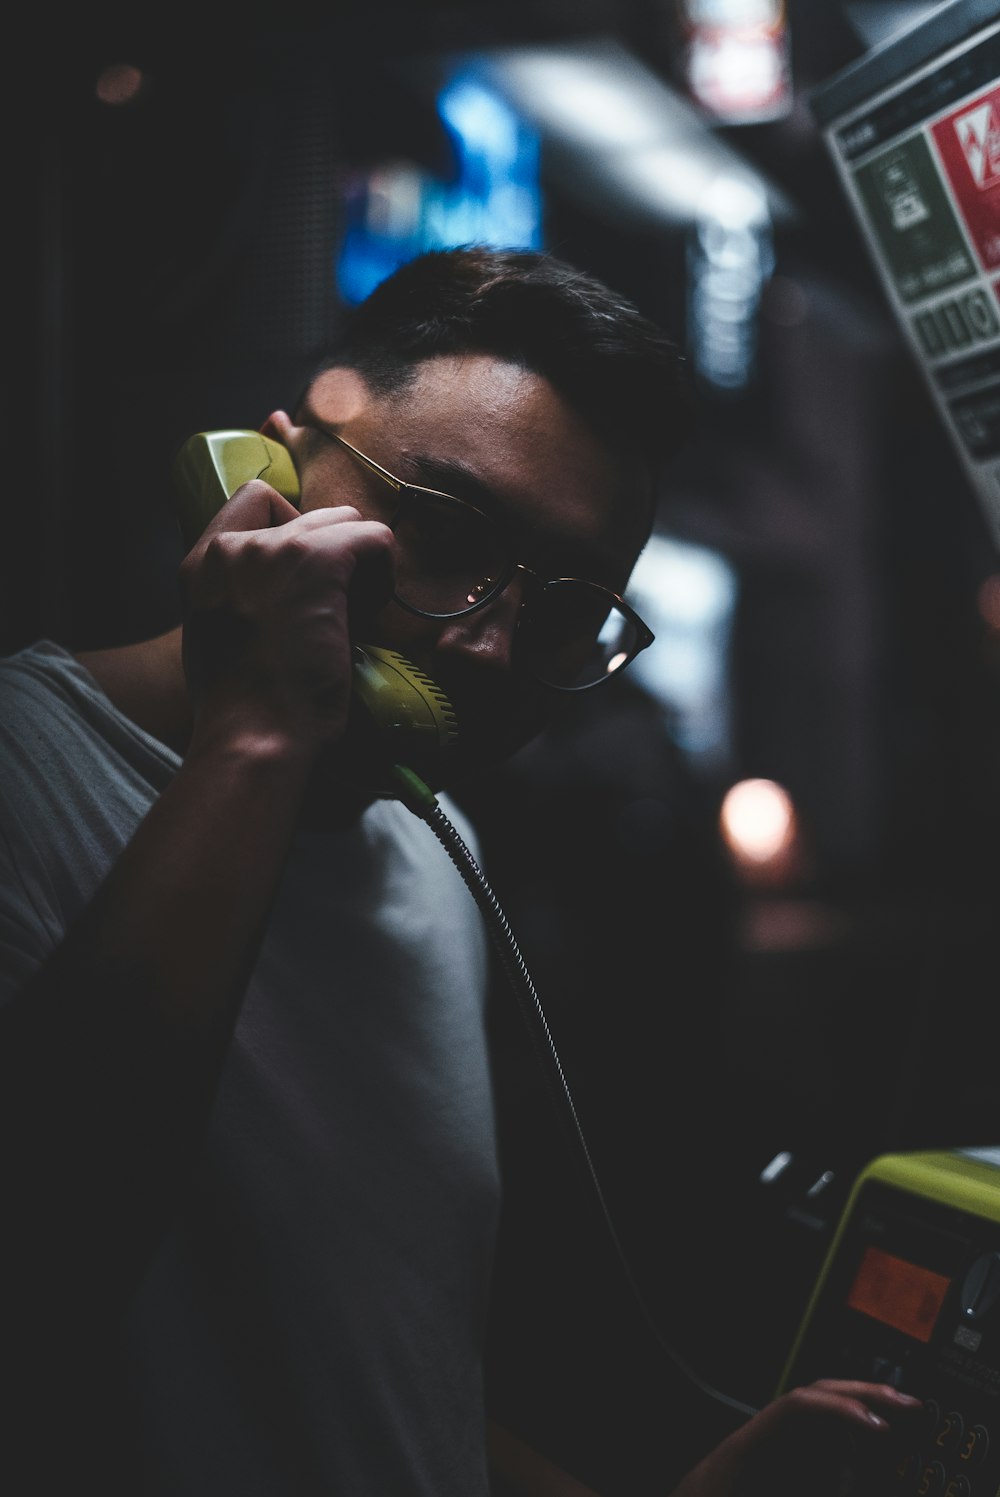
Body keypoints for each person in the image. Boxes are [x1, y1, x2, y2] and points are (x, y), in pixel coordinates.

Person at [0, 246, 922, 1495]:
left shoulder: (436, 855)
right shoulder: (29, 775)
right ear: (265, 476)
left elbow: (374, 1388)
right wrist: (259, 736)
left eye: (565, 608)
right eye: (439, 529)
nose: (487, 647)